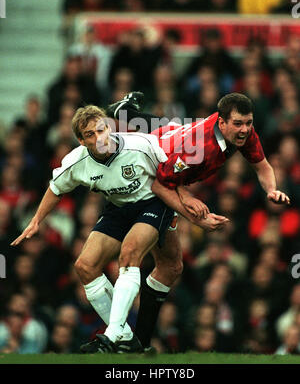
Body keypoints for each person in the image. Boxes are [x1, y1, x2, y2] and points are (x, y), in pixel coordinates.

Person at [11, 104, 227, 354]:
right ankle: (124, 335)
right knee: (84, 266)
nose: (99, 137)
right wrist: (37, 220)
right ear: (81, 140)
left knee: (130, 251)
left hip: (153, 201)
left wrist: (187, 202)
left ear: (109, 127)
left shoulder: (139, 145)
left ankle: (111, 335)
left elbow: (171, 173)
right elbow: (56, 188)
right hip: (118, 208)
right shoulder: (76, 161)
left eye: (101, 129)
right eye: (90, 134)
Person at [107, 91, 291, 350]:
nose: (245, 130)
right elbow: (160, 183)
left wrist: (271, 189)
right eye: (238, 124)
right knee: (155, 264)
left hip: (172, 140)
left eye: (248, 123)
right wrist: (195, 216)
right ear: (222, 122)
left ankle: (123, 110)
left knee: (165, 127)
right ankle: (120, 336)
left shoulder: (241, 134)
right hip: (148, 162)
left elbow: (263, 167)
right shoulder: (201, 148)